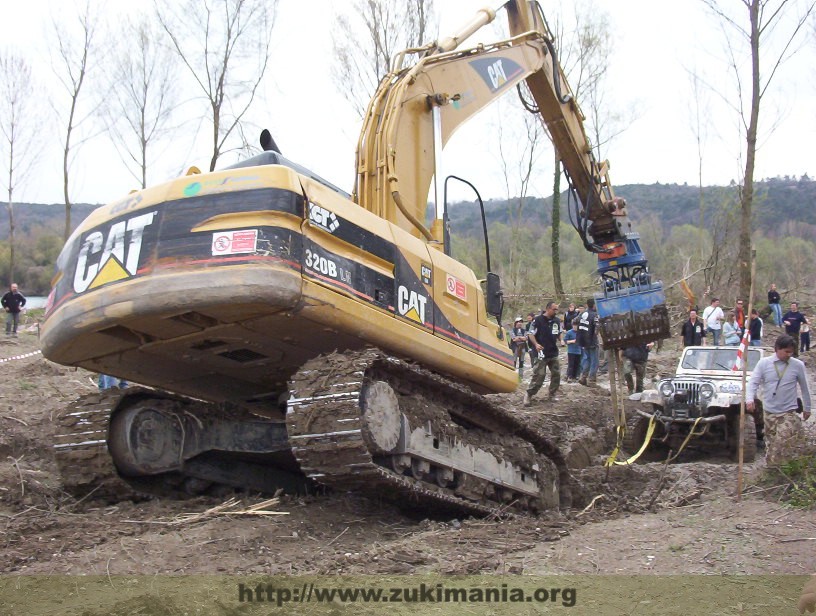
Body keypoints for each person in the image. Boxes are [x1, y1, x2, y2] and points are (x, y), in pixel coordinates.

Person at [747, 335, 812, 466]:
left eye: (791, 352)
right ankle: (772, 472)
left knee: (781, 445)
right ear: (777, 349)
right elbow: (753, 382)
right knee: (770, 444)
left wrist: (807, 408)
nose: (789, 354)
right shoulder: (764, 363)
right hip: (769, 412)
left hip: (788, 413)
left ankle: (781, 469)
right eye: (786, 351)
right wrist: (749, 399)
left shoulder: (797, 365)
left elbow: (805, 387)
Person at [523, 301, 562, 406]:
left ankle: (552, 393)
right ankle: (529, 394)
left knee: (556, 374)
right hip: (541, 353)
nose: (555, 311)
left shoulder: (556, 321)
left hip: (553, 352)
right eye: (554, 309)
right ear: (548, 309)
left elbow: (559, 332)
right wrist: (535, 344)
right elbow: (530, 334)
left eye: (556, 309)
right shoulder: (538, 320)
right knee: (539, 375)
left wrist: (561, 340)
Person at [577, 298, 600, 386]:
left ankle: (583, 377)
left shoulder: (582, 313)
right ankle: (591, 379)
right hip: (591, 340)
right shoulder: (594, 315)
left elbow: (575, 321)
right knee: (594, 360)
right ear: (594, 305)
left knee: (587, 359)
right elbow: (597, 328)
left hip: (582, 340)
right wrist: (596, 337)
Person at [563, 317, 582, 382]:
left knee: (578, 364)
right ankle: (569, 376)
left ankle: (576, 375)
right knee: (571, 364)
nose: (575, 327)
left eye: (577, 326)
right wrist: (572, 341)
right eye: (574, 325)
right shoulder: (569, 332)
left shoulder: (580, 332)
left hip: (579, 351)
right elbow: (565, 341)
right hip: (571, 351)